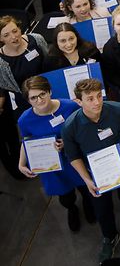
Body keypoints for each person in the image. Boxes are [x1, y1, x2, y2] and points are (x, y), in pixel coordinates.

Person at [62, 78, 120, 263]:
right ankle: (110, 236)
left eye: (98, 96)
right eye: (90, 99)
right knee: (102, 209)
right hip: (96, 173)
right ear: (79, 101)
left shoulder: (118, 109)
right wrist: (87, 180)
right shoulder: (70, 126)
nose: (96, 102)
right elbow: (73, 157)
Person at [18, 76, 94, 230]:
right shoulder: (24, 120)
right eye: (33, 98)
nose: (39, 100)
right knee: (65, 197)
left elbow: (84, 130)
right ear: (28, 100)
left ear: (49, 91)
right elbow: (26, 141)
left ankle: (89, 206)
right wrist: (21, 163)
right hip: (52, 167)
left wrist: (68, 142)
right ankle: (72, 209)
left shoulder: (70, 107)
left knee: (86, 189)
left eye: (42, 94)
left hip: (75, 159)